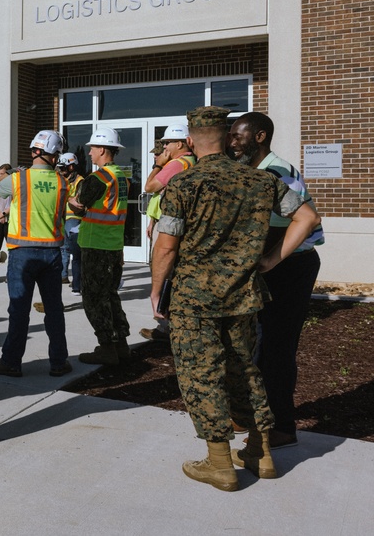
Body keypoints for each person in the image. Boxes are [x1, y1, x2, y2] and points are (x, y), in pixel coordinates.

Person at [150, 106, 320, 492]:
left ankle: (219, 463)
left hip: (196, 299)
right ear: (228, 139)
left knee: (201, 374)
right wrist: (270, 260)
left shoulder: (185, 184)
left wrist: (157, 288)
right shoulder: (260, 181)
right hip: (244, 295)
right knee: (245, 369)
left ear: (191, 141)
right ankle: (260, 453)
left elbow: (166, 246)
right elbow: (308, 218)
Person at [229, 111, 324, 448]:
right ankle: (250, 414)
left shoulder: (275, 171)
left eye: (239, 136)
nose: (232, 142)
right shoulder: (256, 170)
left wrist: (269, 259)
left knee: (278, 348)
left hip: (291, 267)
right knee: (258, 343)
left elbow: (308, 219)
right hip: (278, 266)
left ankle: (282, 426)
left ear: (259, 137)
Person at [0, 131, 71, 378]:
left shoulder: (18, 180)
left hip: (23, 253)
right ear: (54, 156)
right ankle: (59, 362)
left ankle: (11, 362)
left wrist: (9, 174)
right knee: (54, 308)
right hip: (52, 253)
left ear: (34, 151)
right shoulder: (63, 182)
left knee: (19, 309)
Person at [68, 128, 130, 365]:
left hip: (96, 245)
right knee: (111, 295)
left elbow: (78, 204)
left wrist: (74, 202)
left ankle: (106, 346)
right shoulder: (121, 176)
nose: (90, 152)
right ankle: (121, 344)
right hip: (113, 244)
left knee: (94, 298)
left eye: (93, 148)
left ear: (103, 149)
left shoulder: (98, 178)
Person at [139, 125, 195, 342]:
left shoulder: (176, 164)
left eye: (167, 143)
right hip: (173, 222)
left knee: (163, 273)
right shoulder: (192, 163)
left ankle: (164, 326)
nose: (163, 147)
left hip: (169, 227)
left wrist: (157, 165)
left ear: (179, 144)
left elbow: (150, 186)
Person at [57, 152, 83, 292]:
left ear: (72, 167)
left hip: (74, 219)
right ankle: (63, 275)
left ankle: (77, 281)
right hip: (63, 218)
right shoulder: (64, 180)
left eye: (64, 168)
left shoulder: (80, 181)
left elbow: (79, 203)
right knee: (63, 249)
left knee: (75, 252)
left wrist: (68, 198)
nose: (61, 171)